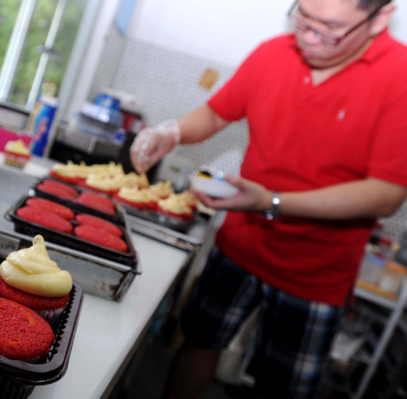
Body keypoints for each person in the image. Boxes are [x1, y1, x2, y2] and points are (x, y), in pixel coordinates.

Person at [130, 0, 407, 398]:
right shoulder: (272, 53)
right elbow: (214, 114)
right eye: (303, 18)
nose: (309, 38)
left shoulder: (399, 76)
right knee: (198, 341)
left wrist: (271, 202)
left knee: (283, 386)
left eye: (329, 29)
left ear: (380, 16)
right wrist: (170, 132)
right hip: (240, 244)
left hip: (316, 273)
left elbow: (385, 195)